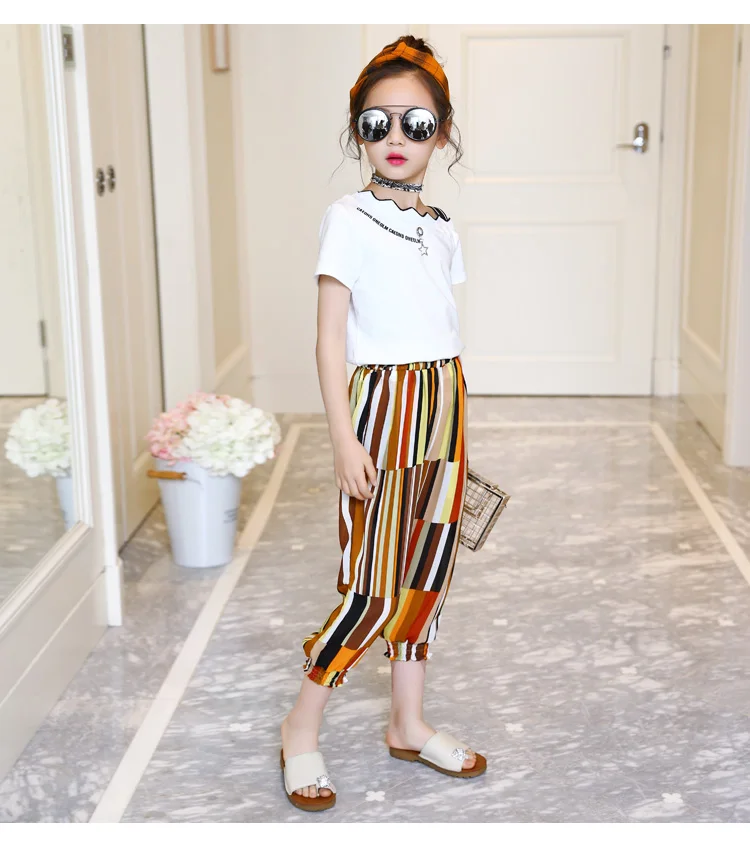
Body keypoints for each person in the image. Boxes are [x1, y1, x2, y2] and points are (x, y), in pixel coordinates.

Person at [280, 34, 486, 812]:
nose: (396, 137)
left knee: (428, 572)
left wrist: (454, 421)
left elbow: (438, 326)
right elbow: (329, 338)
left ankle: (407, 720)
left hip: (445, 400)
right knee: (370, 586)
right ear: (357, 131)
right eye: (377, 123)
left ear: (442, 133)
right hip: (380, 407)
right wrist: (343, 437)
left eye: (416, 123)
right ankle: (301, 726)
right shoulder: (347, 219)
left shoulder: (441, 226)